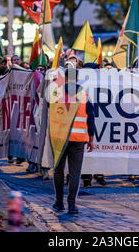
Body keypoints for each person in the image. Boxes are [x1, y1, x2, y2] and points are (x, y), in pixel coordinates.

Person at [52, 68, 95, 215]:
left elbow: (51, 116)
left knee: (58, 171)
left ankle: (59, 203)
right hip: (78, 139)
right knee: (74, 173)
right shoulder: (84, 95)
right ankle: (71, 206)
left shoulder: (56, 93)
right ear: (77, 78)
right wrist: (91, 138)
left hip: (59, 138)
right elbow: (91, 118)